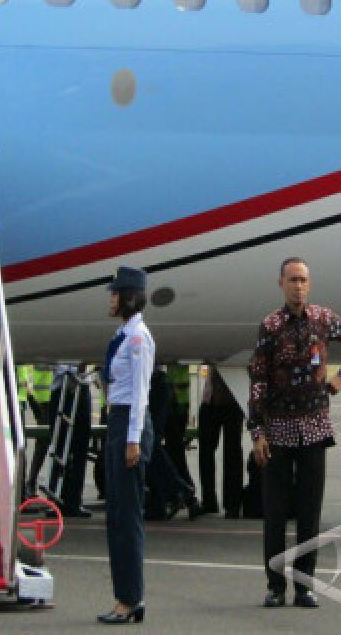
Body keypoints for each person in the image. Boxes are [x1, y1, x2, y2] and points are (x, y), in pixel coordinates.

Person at [248, 257, 341, 609]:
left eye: (303, 280)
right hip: (279, 429)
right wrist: (256, 431)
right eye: (292, 280)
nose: (298, 286)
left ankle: (304, 585)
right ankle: (274, 585)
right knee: (275, 513)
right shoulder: (270, 326)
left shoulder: (322, 319)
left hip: (314, 427)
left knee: (310, 512)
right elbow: (258, 380)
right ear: (281, 283)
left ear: (309, 285)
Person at [99, 267, 156, 625]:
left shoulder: (138, 338)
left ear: (129, 296)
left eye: (116, 293)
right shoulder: (123, 334)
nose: (112, 298)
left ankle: (131, 598)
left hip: (129, 424)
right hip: (118, 422)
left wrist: (133, 439)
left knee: (127, 516)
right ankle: (126, 595)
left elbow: (140, 393)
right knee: (116, 514)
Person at [145, 364, 202, 521]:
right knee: (170, 448)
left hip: (154, 384)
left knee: (151, 445)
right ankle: (166, 500)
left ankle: (179, 489)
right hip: (162, 386)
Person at [45, 360, 92, 517]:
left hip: (82, 387)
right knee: (58, 447)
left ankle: (74, 501)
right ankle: (55, 500)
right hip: (61, 388)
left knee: (80, 450)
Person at [198, 366, 244, 518]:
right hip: (211, 399)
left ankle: (232, 503)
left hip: (232, 399)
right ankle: (210, 500)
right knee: (207, 452)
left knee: (232, 453)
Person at [18, 362, 53, 499]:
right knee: (43, 442)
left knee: (44, 442)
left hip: (40, 394)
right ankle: (30, 483)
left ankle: (30, 483)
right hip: (43, 396)